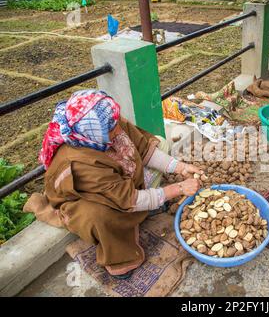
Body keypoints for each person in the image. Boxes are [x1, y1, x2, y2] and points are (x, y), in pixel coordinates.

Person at [36, 89, 202, 279]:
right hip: (84, 200)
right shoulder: (81, 163)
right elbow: (127, 198)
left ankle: (149, 203)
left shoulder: (108, 121)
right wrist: (178, 188)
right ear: (92, 135)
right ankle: (120, 261)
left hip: (116, 184)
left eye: (116, 121)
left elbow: (143, 147)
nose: (118, 128)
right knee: (100, 215)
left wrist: (179, 167)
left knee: (160, 143)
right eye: (111, 128)